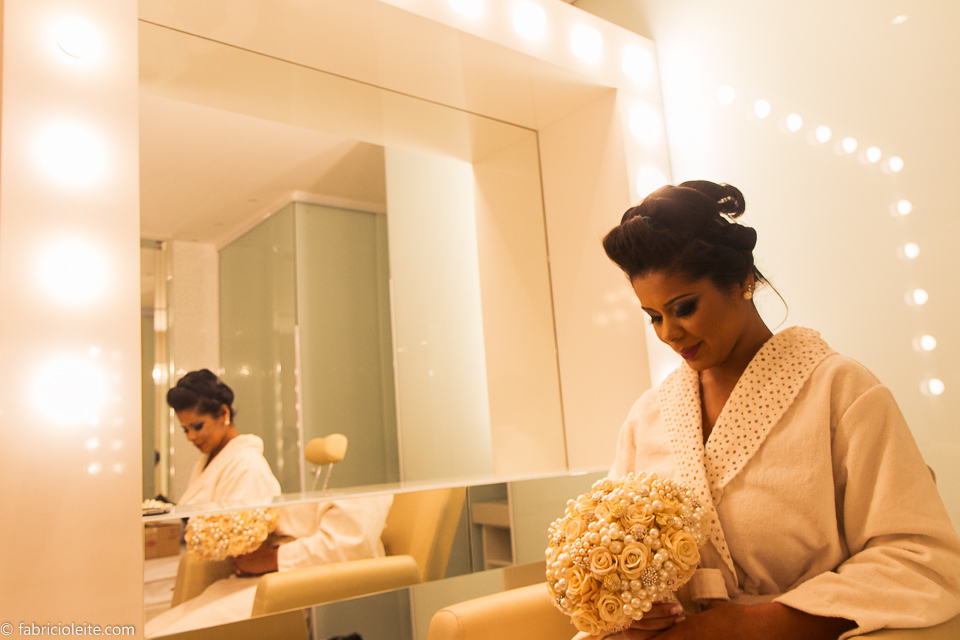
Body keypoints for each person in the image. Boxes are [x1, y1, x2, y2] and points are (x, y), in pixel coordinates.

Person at [588, 181, 960, 640]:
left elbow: (920, 561)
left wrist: (751, 625)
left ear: (742, 281)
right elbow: (624, 556)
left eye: (684, 308)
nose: (668, 333)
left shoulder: (841, 392)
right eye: (654, 316)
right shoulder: (648, 417)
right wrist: (639, 605)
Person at [167, 369, 281, 507]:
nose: (190, 437)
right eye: (185, 430)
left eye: (197, 426)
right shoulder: (202, 466)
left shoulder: (248, 466)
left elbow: (243, 520)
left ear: (223, 413)